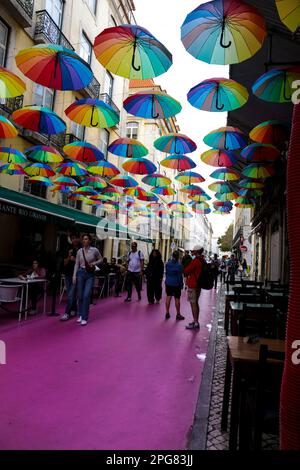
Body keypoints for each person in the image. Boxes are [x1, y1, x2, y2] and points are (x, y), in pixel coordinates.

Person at [73, 234, 102, 325]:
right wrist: (74, 275)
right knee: (80, 295)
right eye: (83, 239)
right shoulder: (79, 251)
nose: (84, 241)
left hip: (90, 274)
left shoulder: (94, 250)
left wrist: (94, 263)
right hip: (80, 273)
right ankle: (80, 315)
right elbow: (76, 264)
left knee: (86, 295)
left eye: (86, 239)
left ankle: (85, 317)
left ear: (90, 241)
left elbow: (101, 259)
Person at [60, 233, 81, 322]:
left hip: (77, 274)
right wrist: (69, 257)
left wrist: (75, 259)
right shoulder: (68, 248)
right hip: (68, 274)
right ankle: (74, 309)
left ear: (79, 239)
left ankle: (67, 313)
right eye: (72, 238)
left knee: (71, 294)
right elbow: (64, 263)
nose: (74, 240)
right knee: (70, 293)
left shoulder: (81, 249)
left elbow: (84, 263)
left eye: (76, 238)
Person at [184, 245, 204, 330]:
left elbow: (186, 270)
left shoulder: (196, 261)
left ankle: (195, 323)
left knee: (193, 304)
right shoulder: (202, 260)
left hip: (193, 284)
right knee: (196, 303)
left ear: (196, 252)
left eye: (193, 251)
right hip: (198, 284)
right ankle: (195, 320)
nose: (192, 252)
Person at [165, 251, 185, 320]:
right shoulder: (179, 265)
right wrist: (181, 284)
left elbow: (166, 273)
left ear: (172, 256)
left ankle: (167, 313)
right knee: (177, 299)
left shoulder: (167, 264)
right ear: (178, 257)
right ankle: (178, 314)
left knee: (168, 297)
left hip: (168, 283)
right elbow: (180, 276)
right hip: (176, 284)